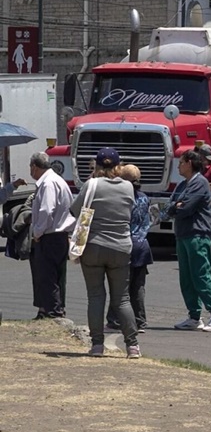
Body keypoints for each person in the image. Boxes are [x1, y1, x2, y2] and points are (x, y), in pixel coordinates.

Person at [70, 148, 140, 358]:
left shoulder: (91, 185)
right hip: (121, 246)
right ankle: (133, 345)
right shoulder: (128, 187)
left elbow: (74, 211)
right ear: (118, 166)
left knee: (96, 296)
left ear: (97, 166)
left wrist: (92, 180)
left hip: (93, 246)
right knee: (123, 299)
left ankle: (97, 345)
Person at [166, 150, 211, 332]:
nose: (178, 166)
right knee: (186, 277)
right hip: (183, 234)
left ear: (190, 163)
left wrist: (177, 206)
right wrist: (175, 206)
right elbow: (171, 204)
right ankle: (194, 316)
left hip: (198, 234)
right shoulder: (182, 185)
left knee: (201, 274)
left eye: (181, 162)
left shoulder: (199, 183)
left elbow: (186, 207)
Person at [106, 164, 153, 333]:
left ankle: (115, 319)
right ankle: (140, 320)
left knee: (120, 283)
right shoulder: (144, 197)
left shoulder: (123, 198)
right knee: (138, 285)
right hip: (142, 243)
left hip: (126, 242)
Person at [29, 152, 75, 319]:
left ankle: (53, 312)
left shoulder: (48, 183)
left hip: (51, 235)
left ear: (34, 167)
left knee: (48, 276)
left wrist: (37, 232)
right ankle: (54, 309)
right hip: (59, 235)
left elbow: (47, 210)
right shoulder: (57, 180)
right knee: (55, 275)